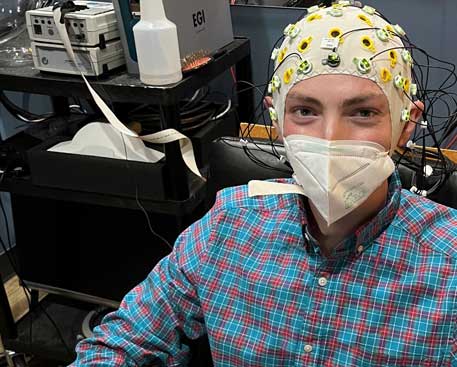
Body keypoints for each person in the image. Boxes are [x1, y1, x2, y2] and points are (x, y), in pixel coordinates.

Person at [70, 2, 457, 366]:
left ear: (406, 124)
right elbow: (120, 341)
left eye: (363, 112)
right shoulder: (227, 228)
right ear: (276, 119)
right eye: (305, 111)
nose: (329, 138)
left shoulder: (448, 267)